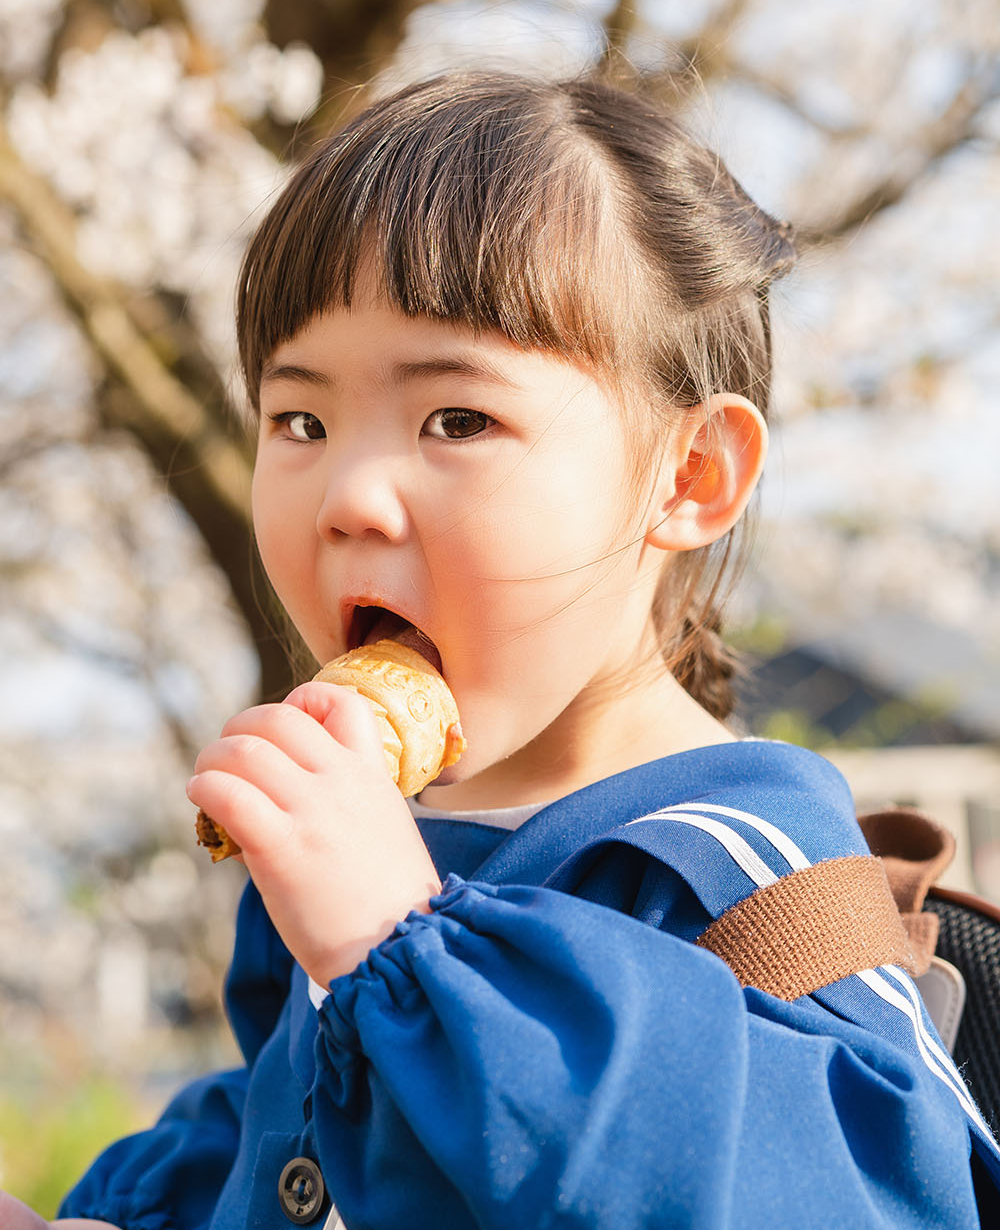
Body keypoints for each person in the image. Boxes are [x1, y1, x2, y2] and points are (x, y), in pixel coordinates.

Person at [8, 72, 999, 1229]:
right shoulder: (380, 843)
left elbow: (851, 1192)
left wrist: (406, 948)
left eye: (457, 420)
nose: (352, 494)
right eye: (301, 421)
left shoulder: (751, 874)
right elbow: (283, 1141)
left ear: (689, 476)